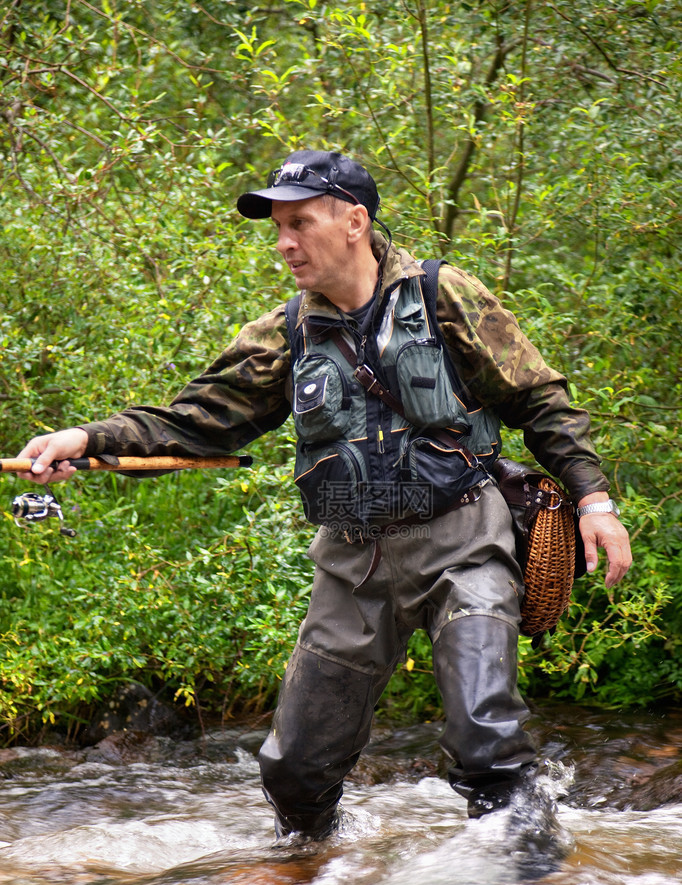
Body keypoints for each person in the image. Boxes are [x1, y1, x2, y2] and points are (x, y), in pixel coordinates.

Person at [16, 150, 632, 834]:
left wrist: (593, 501)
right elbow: (191, 422)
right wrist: (87, 438)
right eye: (278, 228)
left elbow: (538, 398)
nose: (284, 243)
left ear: (354, 222)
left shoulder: (441, 294)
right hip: (352, 563)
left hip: (464, 540)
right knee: (295, 769)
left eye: (299, 223)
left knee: (485, 731)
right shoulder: (286, 331)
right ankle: (315, 876)